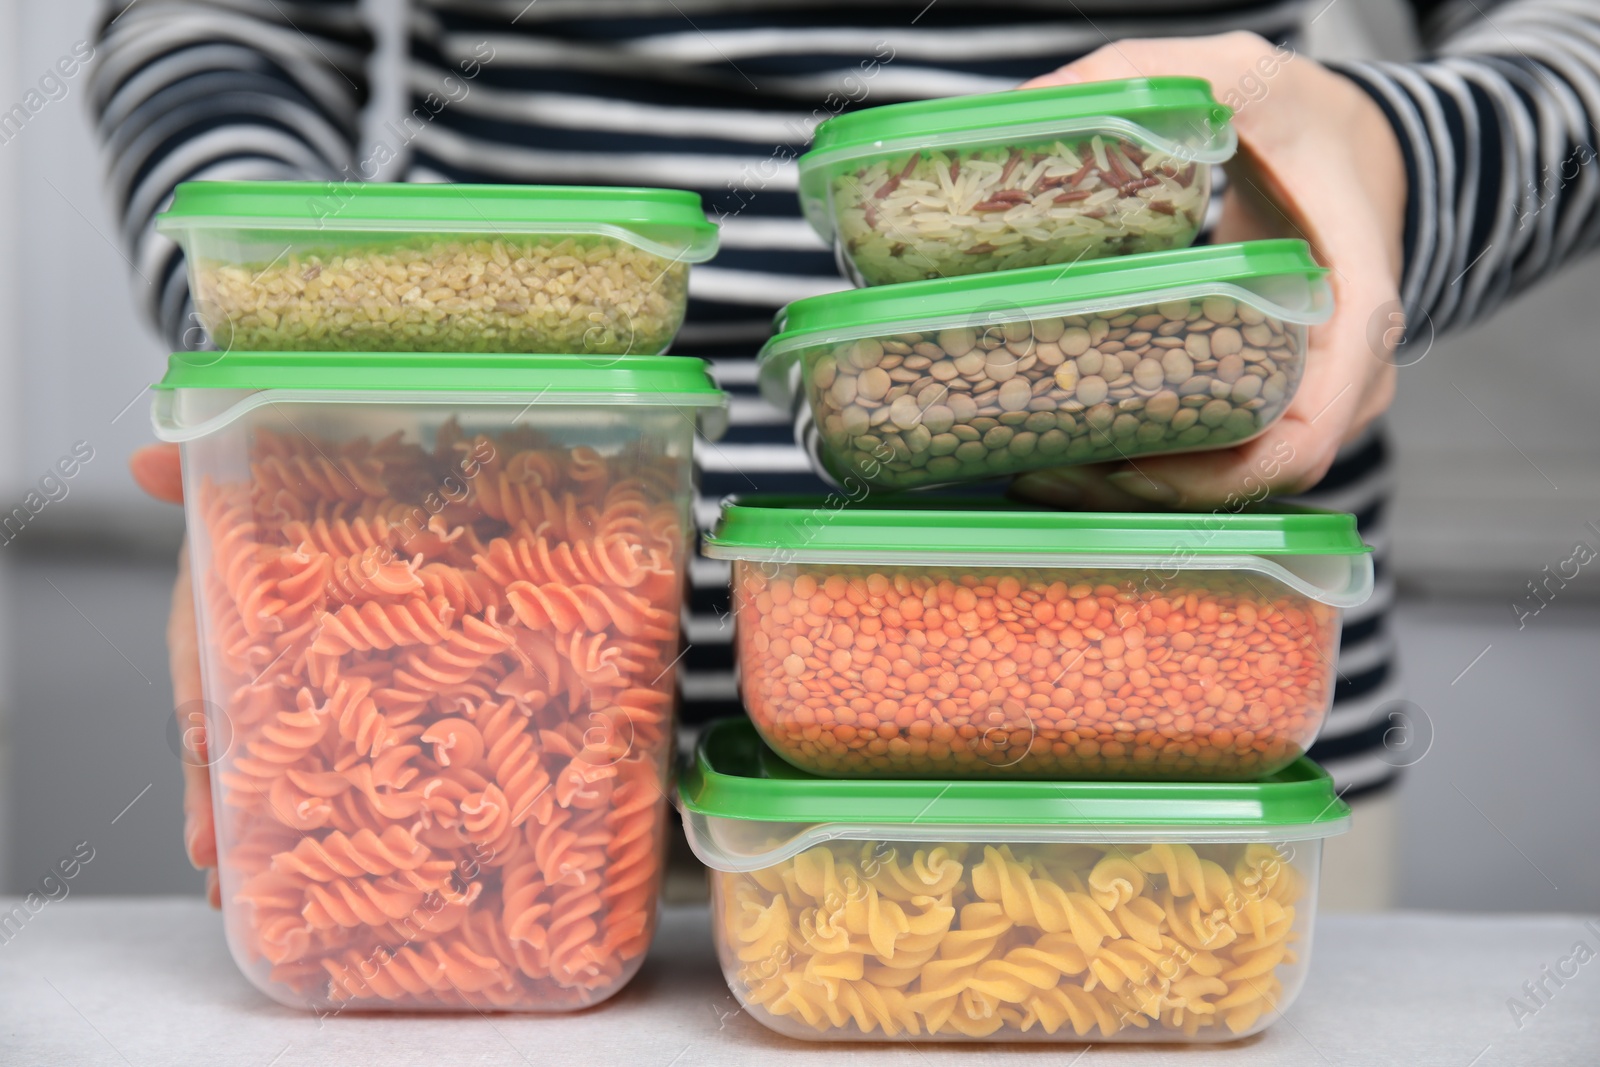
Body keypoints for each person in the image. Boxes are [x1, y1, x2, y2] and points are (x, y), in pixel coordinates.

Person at [97, 0, 1600, 911]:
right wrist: (284, 381)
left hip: (1175, 764)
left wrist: (1394, 172)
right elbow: (216, 29)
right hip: (465, 700)